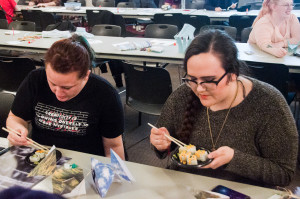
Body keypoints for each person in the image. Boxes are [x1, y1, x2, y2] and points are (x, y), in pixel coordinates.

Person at [150, 29, 298, 187]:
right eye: (191, 79)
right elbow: (166, 143)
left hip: (240, 192)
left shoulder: (268, 103)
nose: (199, 89)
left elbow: (284, 174)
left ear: (233, 74)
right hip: (186, 186)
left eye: (209, 80)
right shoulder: (183, 95)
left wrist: (235, 159)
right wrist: (160, 143)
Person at [6, 34, 125, 160]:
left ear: (85, 75)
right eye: (52, 84)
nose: (58, 93)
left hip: (84, 163)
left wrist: (114, 174)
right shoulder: (35, 79)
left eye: (67, 88)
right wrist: (16, 129)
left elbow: (113, 146)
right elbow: (15, 117)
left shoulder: (105, 93)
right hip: (42, 159)